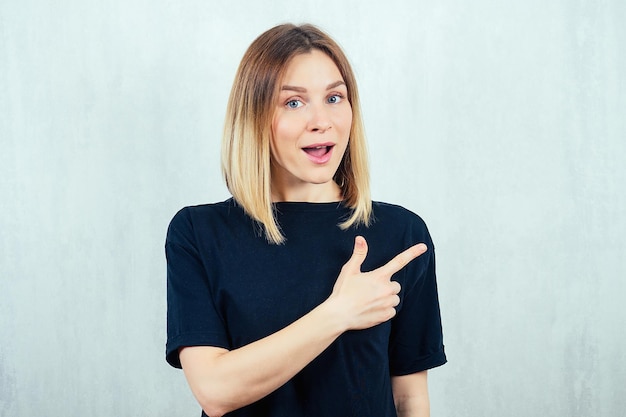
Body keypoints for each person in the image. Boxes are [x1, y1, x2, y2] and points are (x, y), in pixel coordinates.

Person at [165, 23, 446, 417]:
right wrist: (339, 313)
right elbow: (214, 390)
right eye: (294, 103)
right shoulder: (198, 233)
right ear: (255, 116)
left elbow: (409, 398)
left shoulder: (402, 234)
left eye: (334, 97)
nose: (322, 120)